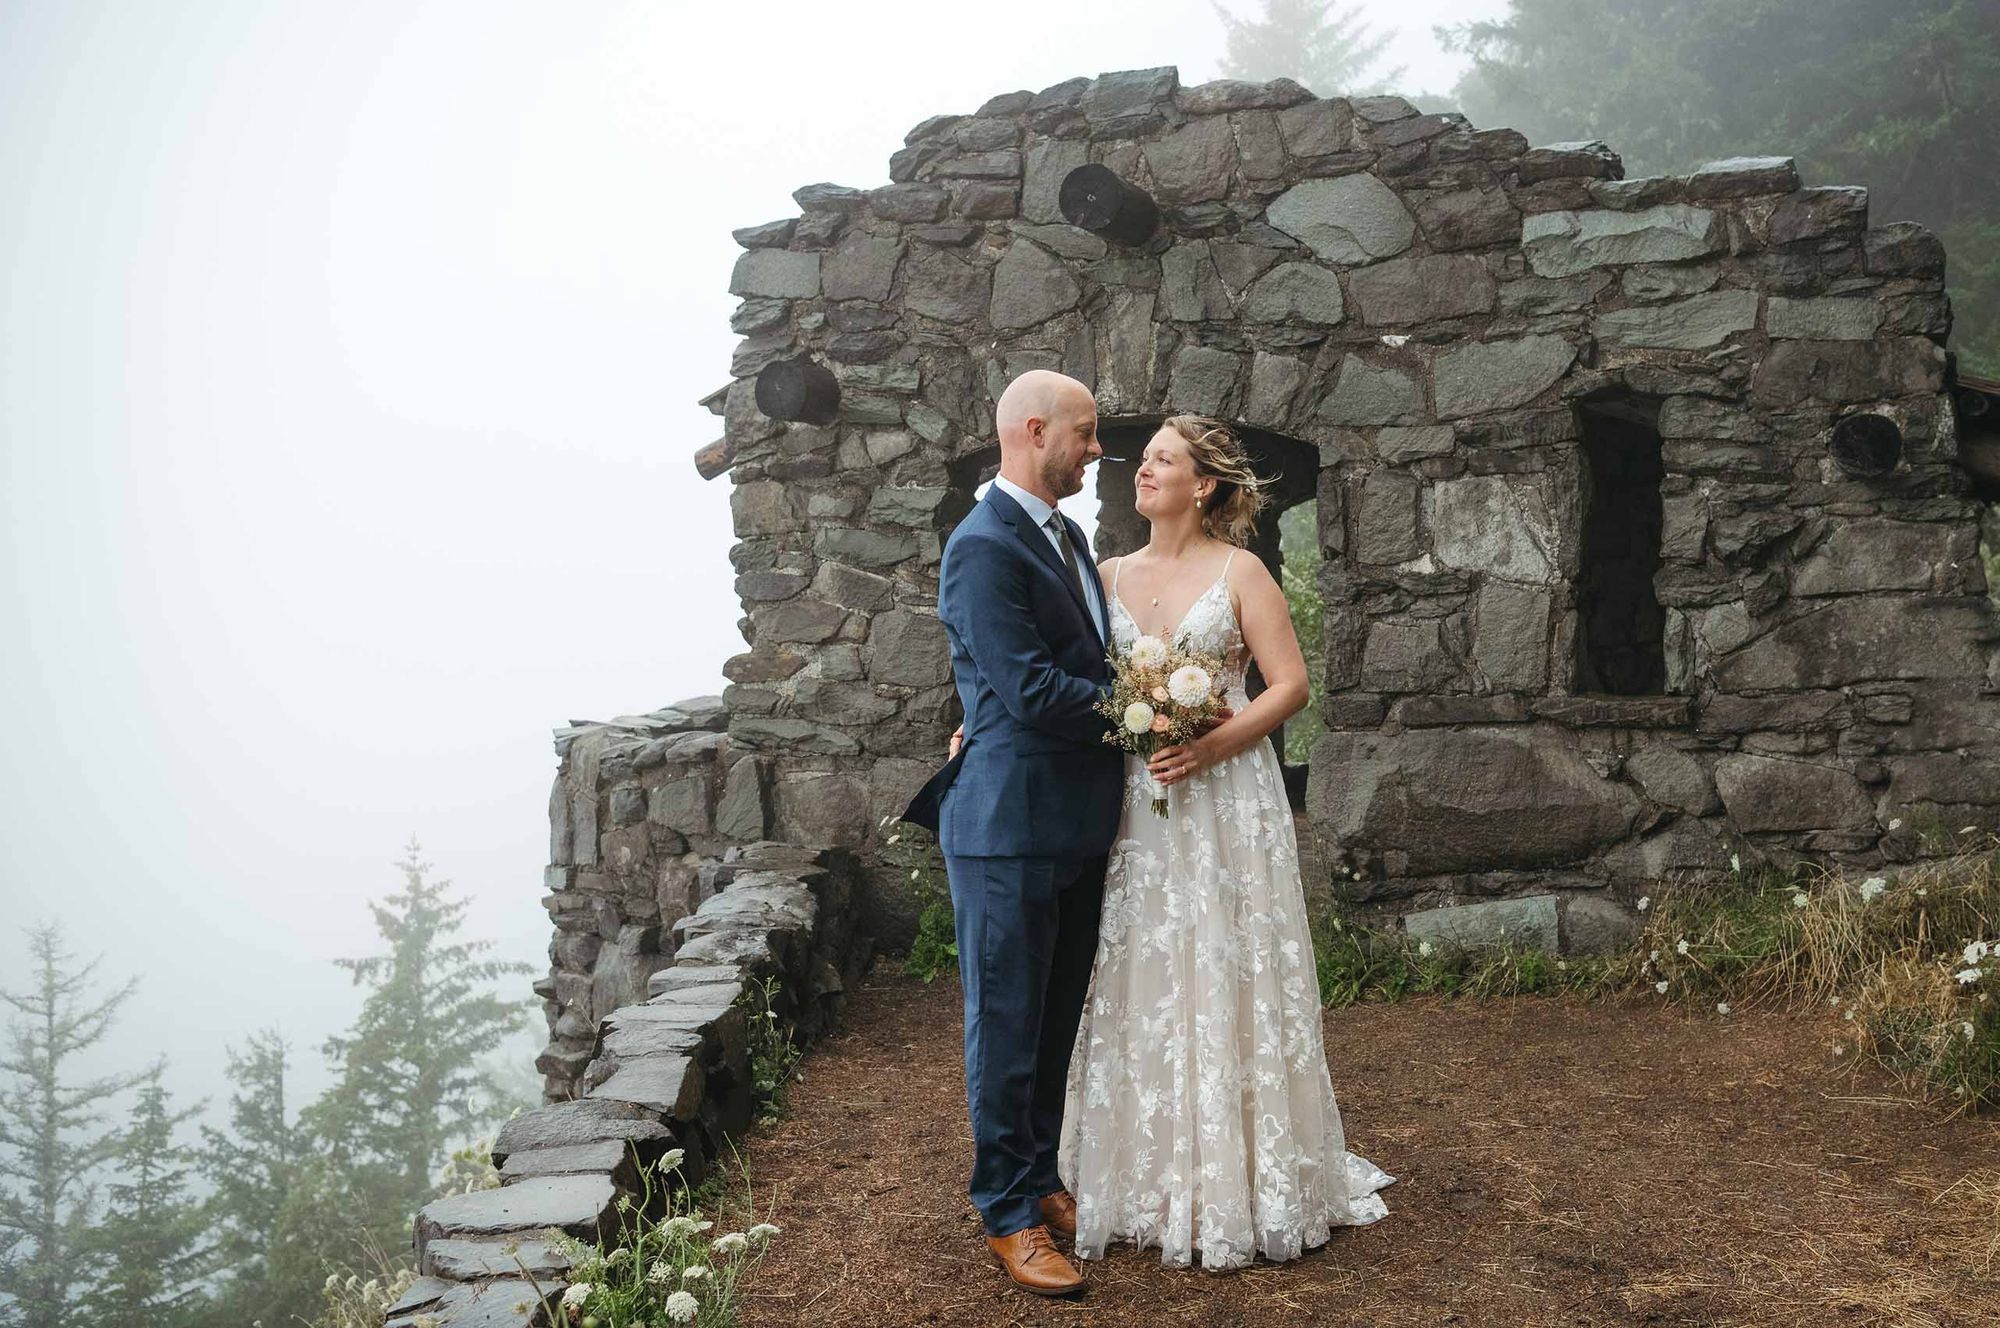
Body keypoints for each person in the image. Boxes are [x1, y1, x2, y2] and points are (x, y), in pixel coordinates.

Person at [1058, 414, 1394, 1270]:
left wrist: (1211, 742)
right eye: (1142, 461)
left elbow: (1290, 687)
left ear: (1201, 484)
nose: (1141, 471)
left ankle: (1246, 1177)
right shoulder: (1103, 577)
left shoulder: (1240, 571)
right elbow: (1073, 687)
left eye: (1161, 460)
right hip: (1142, 802)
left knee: (1227, 959)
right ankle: (1146, 1176)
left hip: (1226, 794)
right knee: (1145, 966)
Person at [902, 369, 1116, 1297]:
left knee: (1056, 1018)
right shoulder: (982, 547)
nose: (1098, 449)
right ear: (1034, 431)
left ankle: (1041, 1175)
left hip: (1074, 820)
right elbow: (1027, 691)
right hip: (1004, 825)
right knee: (1005, 1024)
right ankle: (1008, 1213)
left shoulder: (1067, 535)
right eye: (1088, 432)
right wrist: (1141, 705)